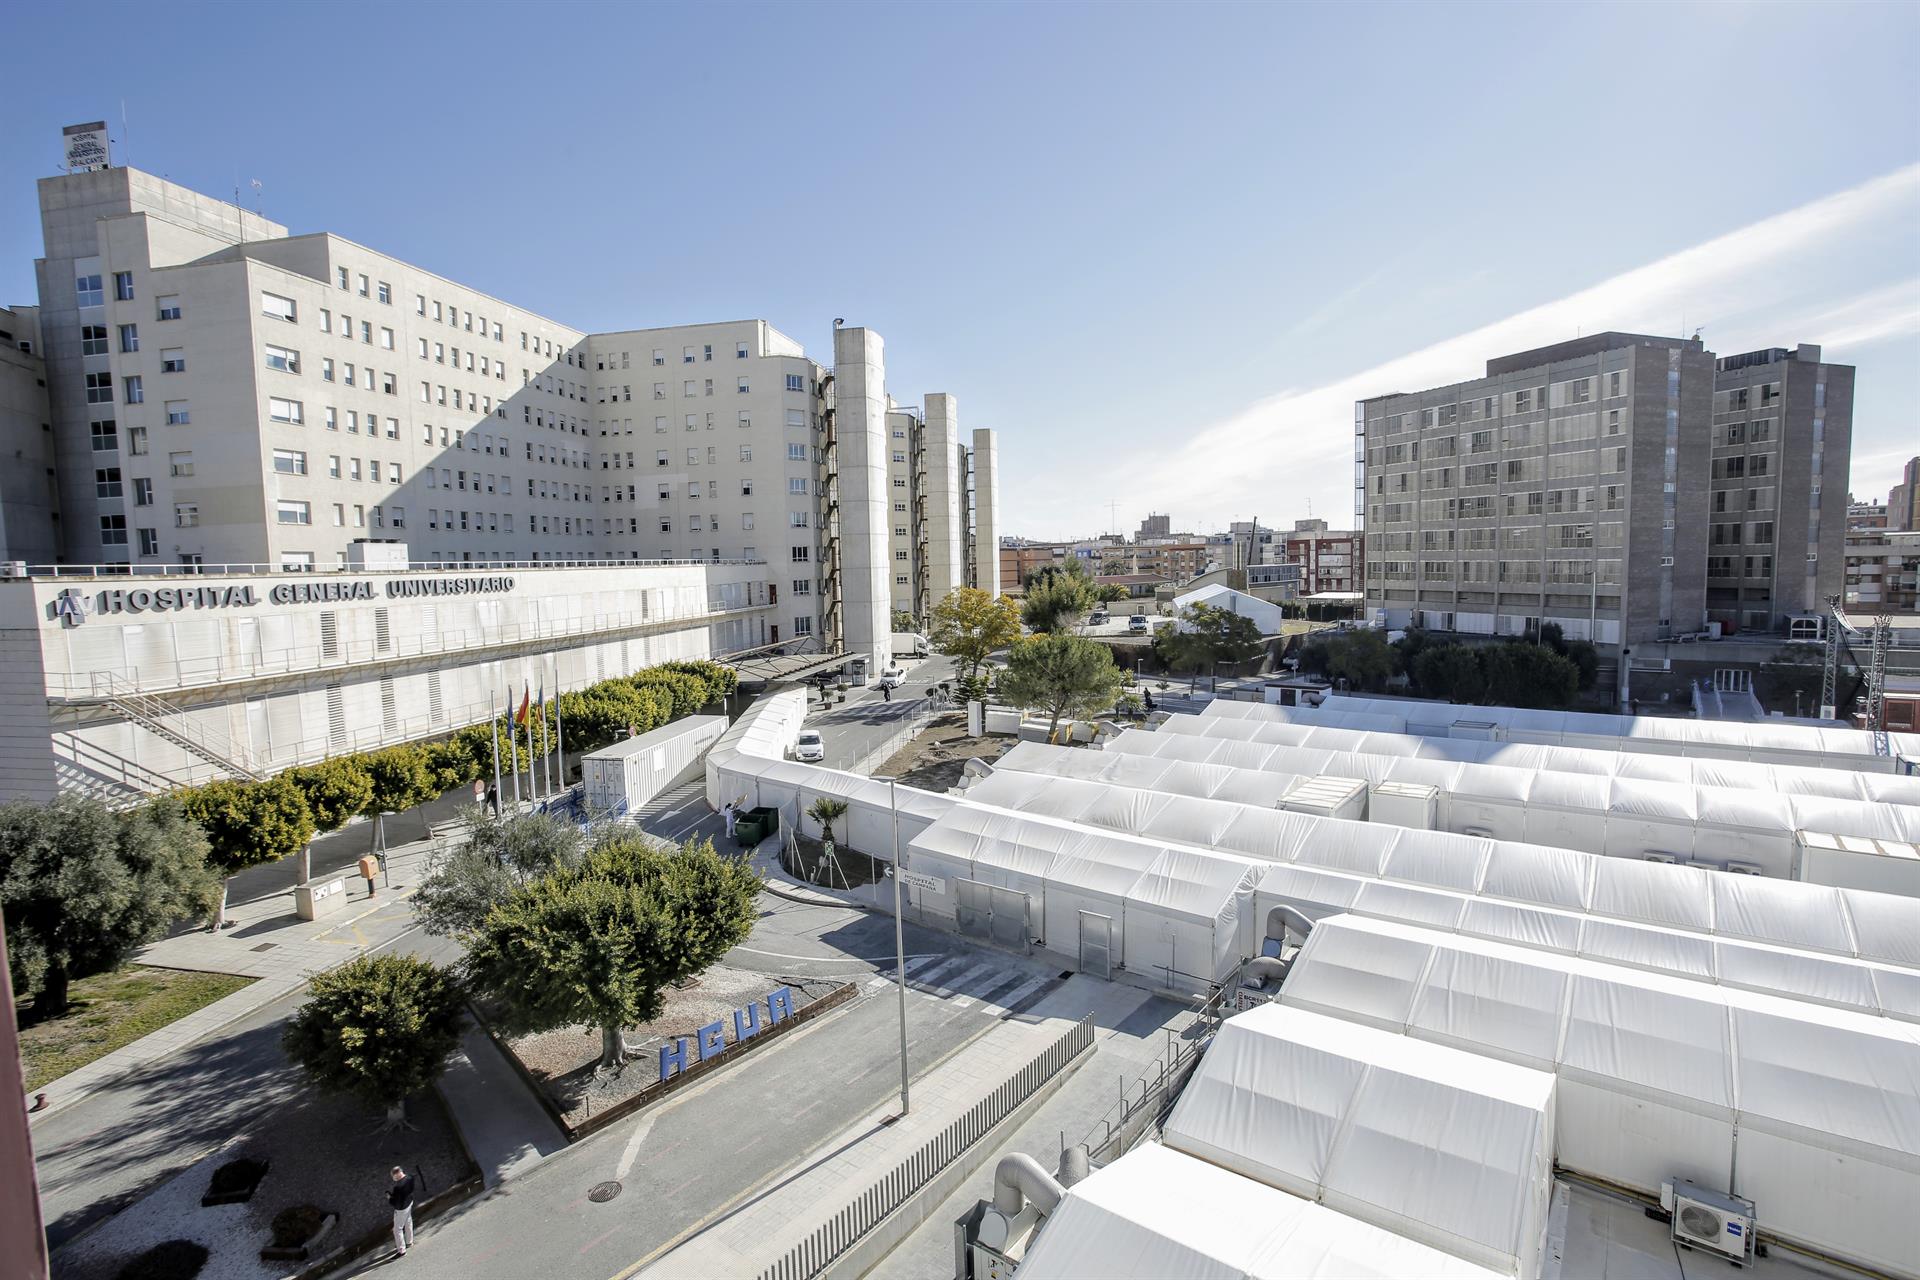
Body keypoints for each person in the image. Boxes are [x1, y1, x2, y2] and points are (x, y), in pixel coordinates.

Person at [388, 1166, 416, 1256]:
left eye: (393, 1177)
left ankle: (401, 1250)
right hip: (410, 1202)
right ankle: (409, 1242)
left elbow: (395, 1203)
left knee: (397, 1229)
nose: (394, 1179)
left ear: (396, 1176)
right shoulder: (410, 1177)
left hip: (401, 1209)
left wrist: (389, 1198)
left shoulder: (398, 1188)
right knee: (408, 1221)